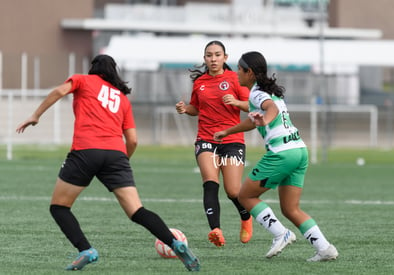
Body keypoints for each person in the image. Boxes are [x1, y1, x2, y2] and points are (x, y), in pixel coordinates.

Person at [16, 54, 200, 271]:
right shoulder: (122, 98)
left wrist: (35, 115)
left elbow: (59, 91)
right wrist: (120, 164)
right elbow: (132, 140)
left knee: (59, 207)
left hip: (85, 151)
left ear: (93, 68)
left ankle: (86, 249)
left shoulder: (82, 80)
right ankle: (175, 243)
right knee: (137, 211)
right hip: (116, 155)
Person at [213, 51, 338, 262]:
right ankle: (325, 248)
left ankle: (281, 234)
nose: (236, 73)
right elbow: (256, 119)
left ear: (249, 72)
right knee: (290, 208)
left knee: (245, 196)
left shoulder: (257, 93)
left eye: (239, 69)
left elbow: (270, 110)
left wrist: (265, 120)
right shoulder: (270, 91)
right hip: (299, 150)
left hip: (282, 153)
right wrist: (228, 131)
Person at [175, 40, 253, 247]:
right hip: (206, 138)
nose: (213, 59)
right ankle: (216, 230)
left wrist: (236, 102)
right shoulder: (199, 82)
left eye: (217, 55)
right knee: (210, 182)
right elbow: (196, 108)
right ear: (204, 59)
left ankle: (246, 217)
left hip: (232, 139)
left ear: (225, 58)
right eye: (209, 55)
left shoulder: (235, 79)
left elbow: (251, 106)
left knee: (233, 191)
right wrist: (185, 108)